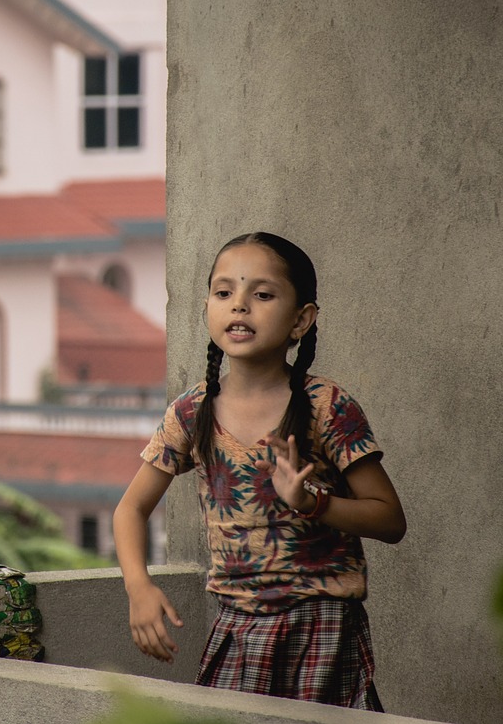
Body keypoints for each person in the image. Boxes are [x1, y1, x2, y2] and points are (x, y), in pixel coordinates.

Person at [112, 232, 406, 709]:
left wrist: (313, 502)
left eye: (262, 295)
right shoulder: (192, 412)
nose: (240, 307)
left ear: (301, 320)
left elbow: (390, 520)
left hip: (322, 627)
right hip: (237, 626)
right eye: (224, 293)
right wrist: (138, 588)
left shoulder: (327, 407)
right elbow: (130, 509)